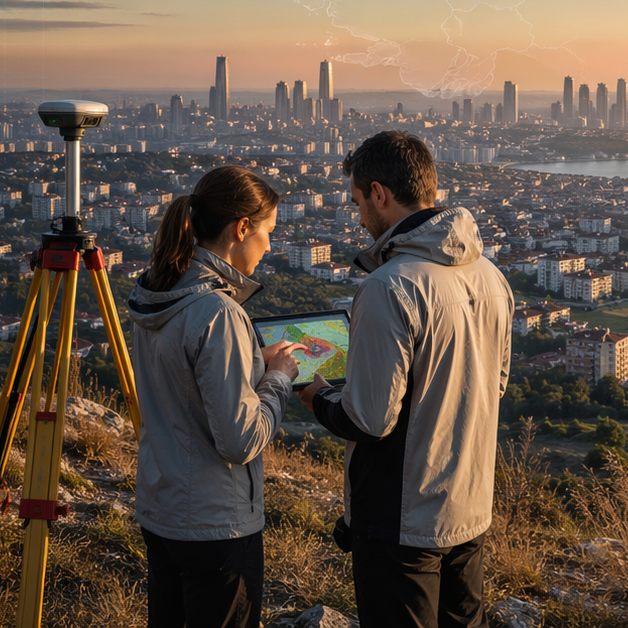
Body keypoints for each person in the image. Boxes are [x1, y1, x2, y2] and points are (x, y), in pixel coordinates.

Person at [298, 131, 513, 628]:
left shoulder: (389, 286)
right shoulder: (490, 275)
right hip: (470, 504)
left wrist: (319, 397)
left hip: (403, 517)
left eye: (357, 202)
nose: (358, 218)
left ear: (379, 193)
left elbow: (369, 419)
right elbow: (493, 385)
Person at [128, 165, 306, 628]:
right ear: (241, 228)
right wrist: (279, 378)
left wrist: (251, 359)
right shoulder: (217, 312)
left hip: (162, 508)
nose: (270, 246)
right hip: (214, 525)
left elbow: (181, 379)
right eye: (267, 232)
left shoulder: (160, 289)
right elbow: (241, 439)